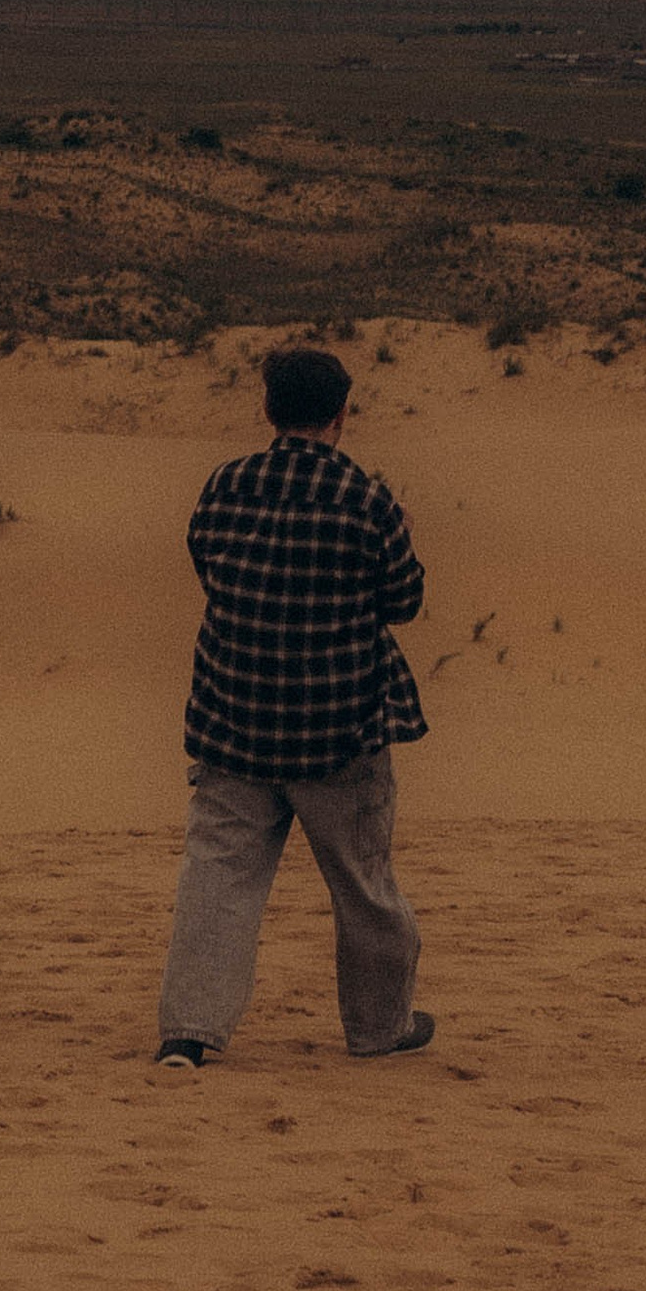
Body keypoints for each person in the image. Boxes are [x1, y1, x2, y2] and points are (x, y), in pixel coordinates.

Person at [154, 342, 434, 1069]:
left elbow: (206, 566)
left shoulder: (225, 485)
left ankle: (188, 1032)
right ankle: (379, 1029)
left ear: (269, 410)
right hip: (340, 726)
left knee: (217, 877)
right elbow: (404, 600)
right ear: (343, 414)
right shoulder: (366, 501)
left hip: (233, 717)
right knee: (364, 885)